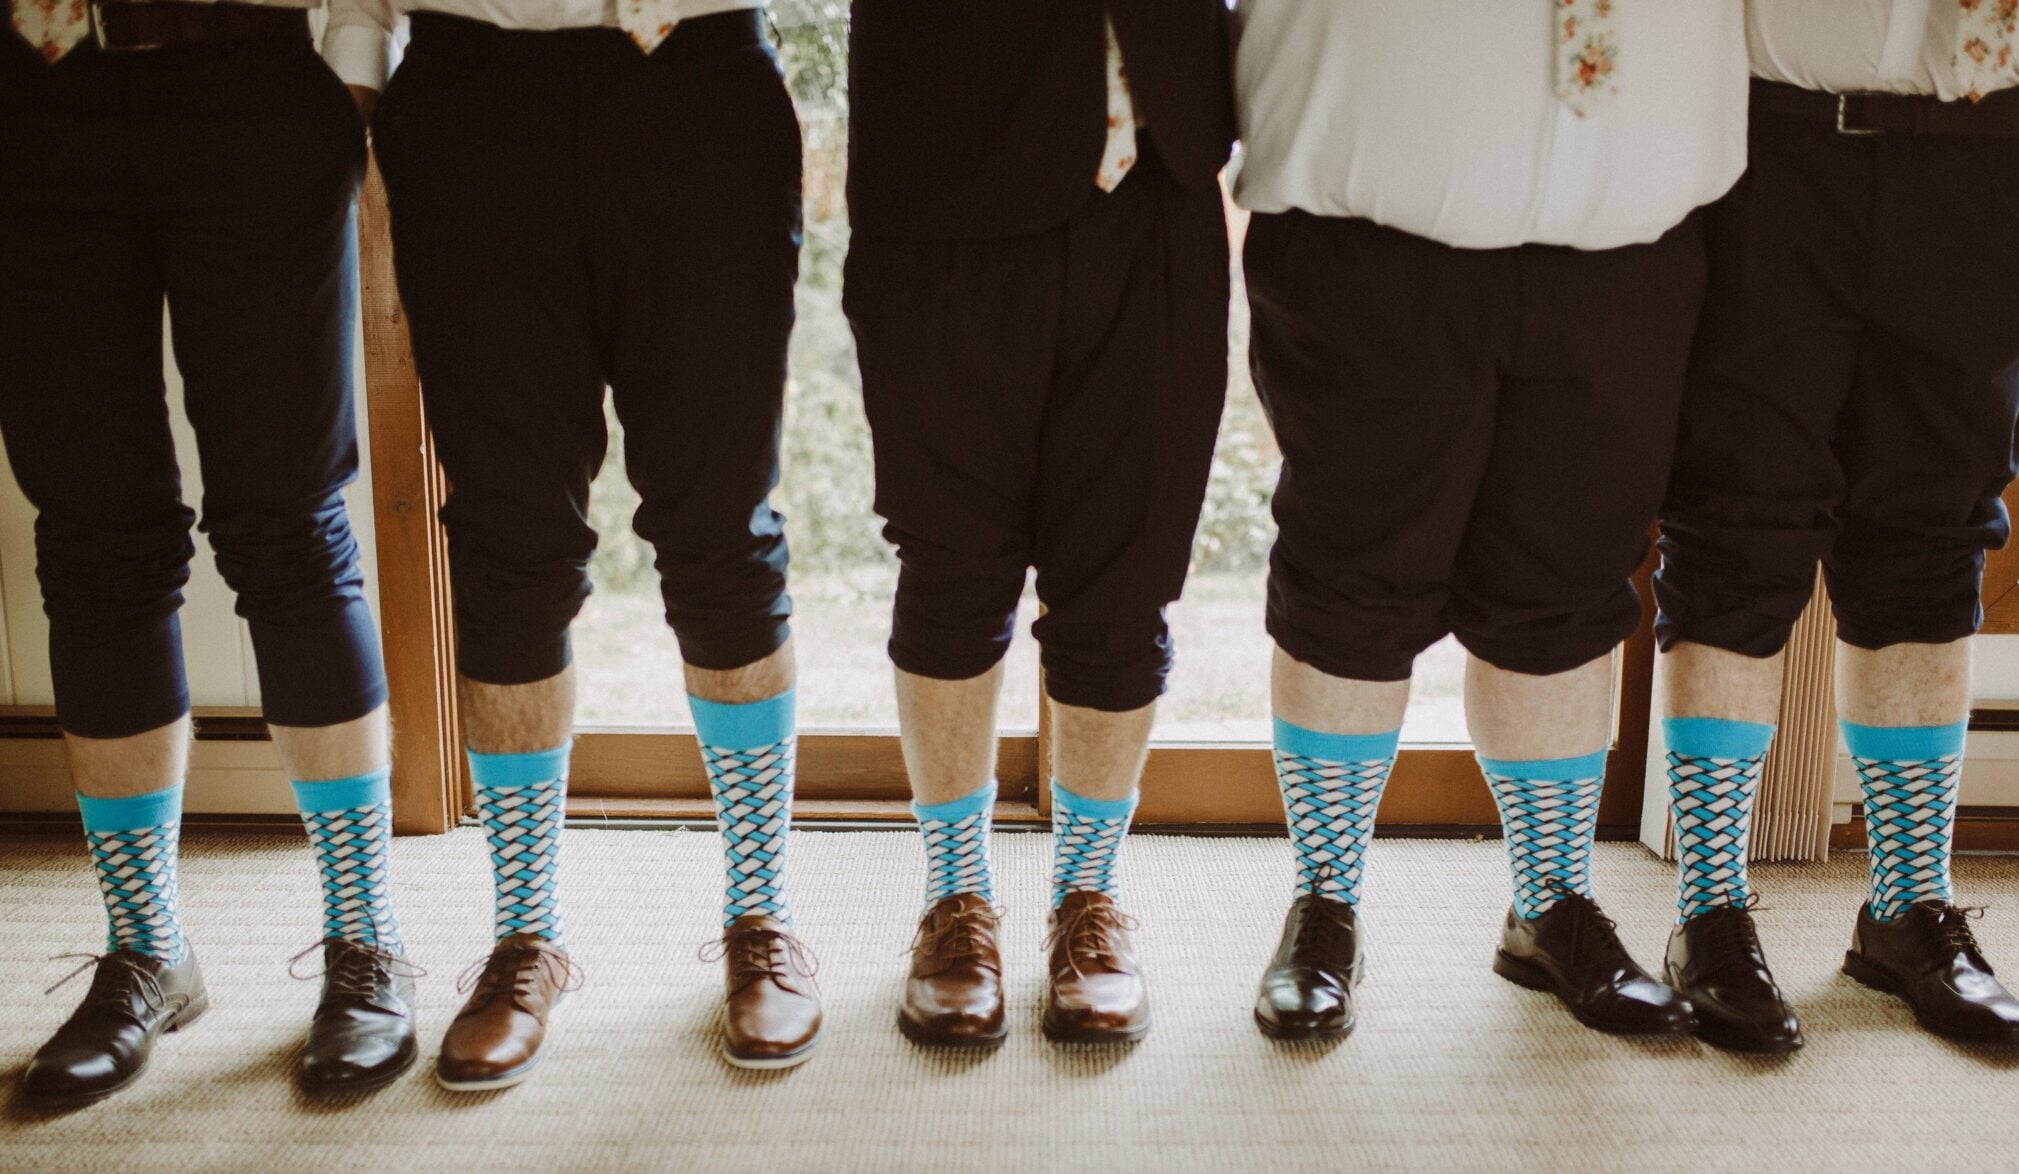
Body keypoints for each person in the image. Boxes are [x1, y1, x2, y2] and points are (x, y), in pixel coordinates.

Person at [1233, 0, 1747, 1040]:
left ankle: (1548, 904)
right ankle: (1324, 905)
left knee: (1568, 582)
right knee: (1350, 578)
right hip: (1366, 223)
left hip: (1625, 239)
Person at [348, 0, 821, 1079]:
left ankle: (761, 918)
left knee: (720, 522)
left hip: (695, 77)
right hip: (470, 86)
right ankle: (524, 936)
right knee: (507, 537)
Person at [3, 0, 413, 1104]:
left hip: (255, 81)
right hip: (37, 94)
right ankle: (147, 948)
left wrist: (354, 74)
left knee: (288, 520)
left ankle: (364, 941)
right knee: (91, 532)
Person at [1653, 0, 2019, 1050]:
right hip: (1773, 152)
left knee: (1933, 531)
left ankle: (1907, 911)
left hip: (1987, 160)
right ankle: (1709, 912)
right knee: (1734, 524)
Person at [843, 0, 1233, 1045]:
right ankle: (955, 902)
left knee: (1124, 577)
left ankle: (1086, 902)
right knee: (951, 566)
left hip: (1160, 176)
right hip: (943, 172)